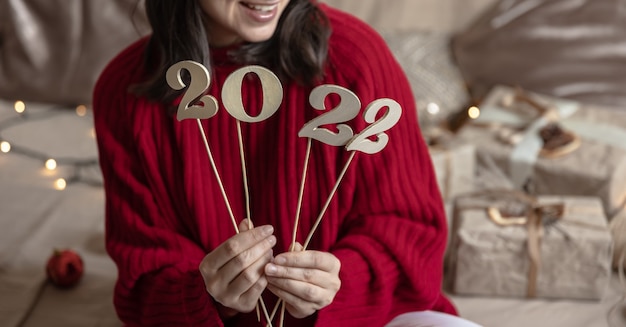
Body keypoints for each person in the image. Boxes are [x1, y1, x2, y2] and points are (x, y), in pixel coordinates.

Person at [93, 0, 481, 326]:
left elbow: (412, 241)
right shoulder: (124, 92)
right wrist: (205, 294)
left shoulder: (357, 60)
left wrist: (341, 283)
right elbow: (141, 284)